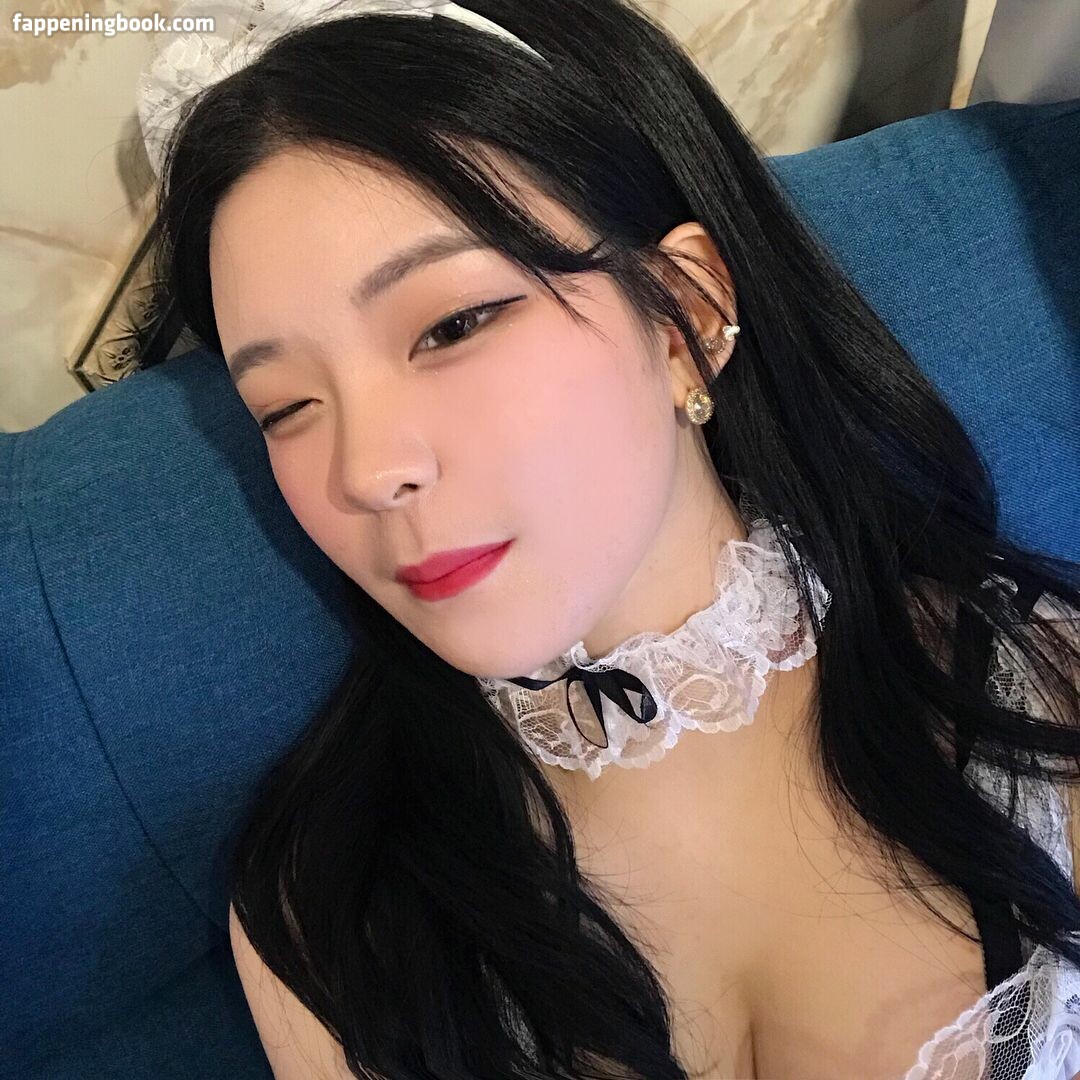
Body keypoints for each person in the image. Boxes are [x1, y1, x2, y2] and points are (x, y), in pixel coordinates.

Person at [136, 0, 1080, 1075]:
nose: (366, 470)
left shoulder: (1043, 703)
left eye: (450, 326)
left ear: (684, 314)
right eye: (286, 408)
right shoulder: (323, 916)